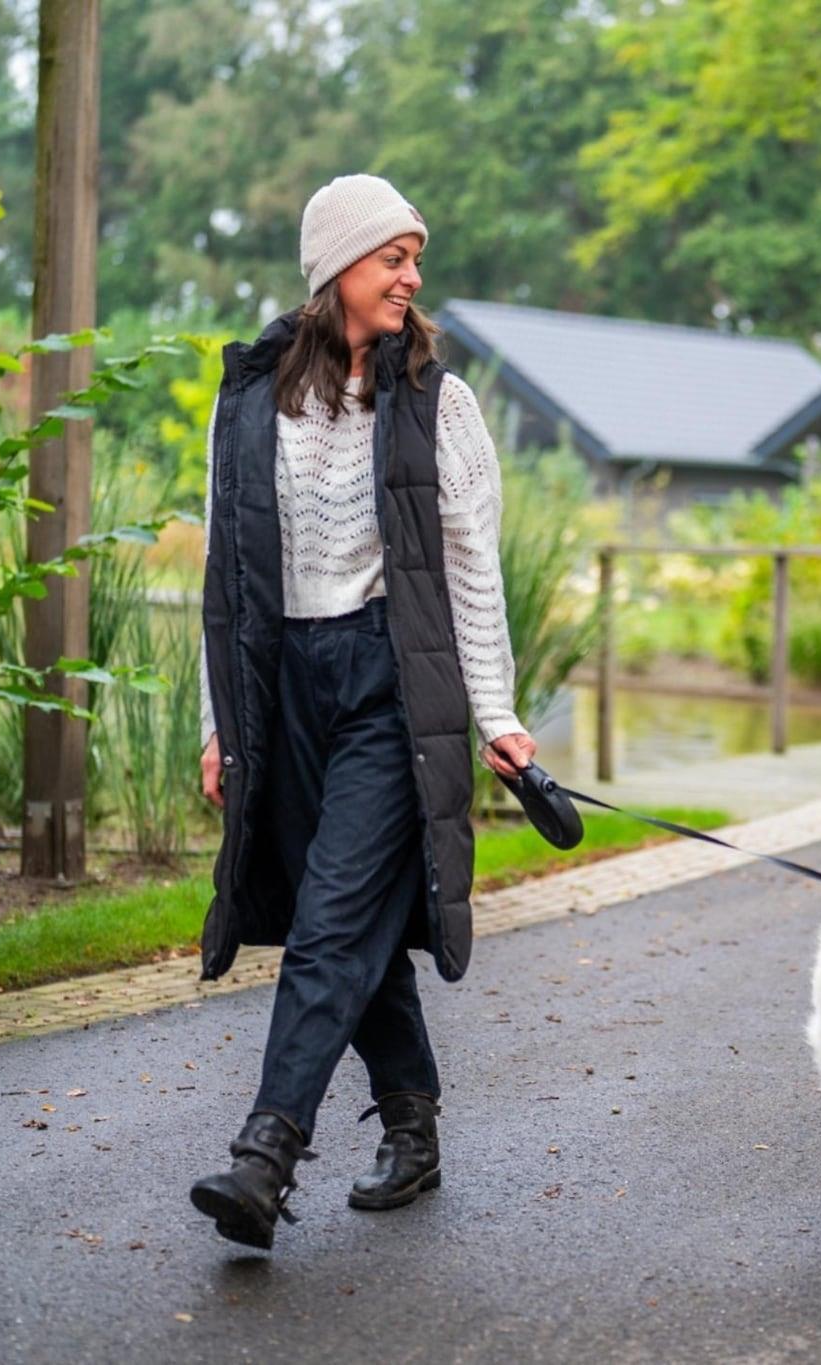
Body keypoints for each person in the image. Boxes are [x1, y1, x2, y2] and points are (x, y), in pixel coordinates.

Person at [187, 174, 536, 1250]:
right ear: (337, 265)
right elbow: (224, 574)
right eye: (393, 257)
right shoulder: (250, 396)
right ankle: (412, 1126)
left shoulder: (437, 399)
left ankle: (267, 1153)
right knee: (342, 917)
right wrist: (217, 722)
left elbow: (471, 566)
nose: (412, 277)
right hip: (282, 686)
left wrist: (495, 713)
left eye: (415, 258)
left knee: (333, 918)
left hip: (390, 683)